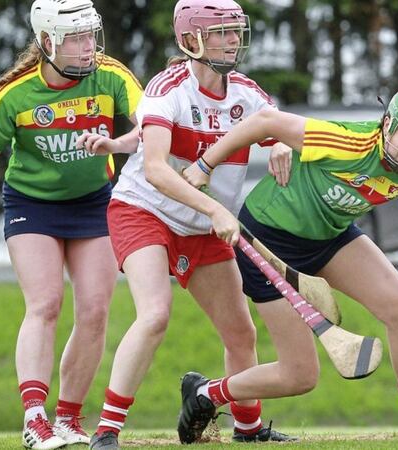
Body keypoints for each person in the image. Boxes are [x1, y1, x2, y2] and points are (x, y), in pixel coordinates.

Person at [178, 85, 398, 443]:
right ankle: (205, 394)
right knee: (300, 376)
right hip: (271, 241)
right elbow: (266, 120)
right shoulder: (346, 142)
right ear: (387, 124)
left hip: (330, 236)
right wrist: (206, 165)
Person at [87, 1, 295, 448]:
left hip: (201, 226)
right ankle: (106, 431)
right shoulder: (168, 88)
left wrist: (282, 145)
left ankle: (248, 428)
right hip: (143, 210)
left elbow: (284, 128)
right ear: (191, 39)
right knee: (155, 314)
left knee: (241, 331)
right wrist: (218, 210)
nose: (233, 40)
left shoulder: (248, 93)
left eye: (236, 31)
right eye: (221, 32)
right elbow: (158, 170)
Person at [0, 1, 142, 449]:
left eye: (90, 36)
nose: (89, 48)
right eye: (77, 39)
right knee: (45, 303)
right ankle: (35, 419)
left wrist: (114, 144)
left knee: (96, 311)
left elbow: (153, 127)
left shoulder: (112, 75)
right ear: (47, 43)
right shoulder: (13, 94)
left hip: (94, 202)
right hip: (32, 205)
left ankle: (67, 418)